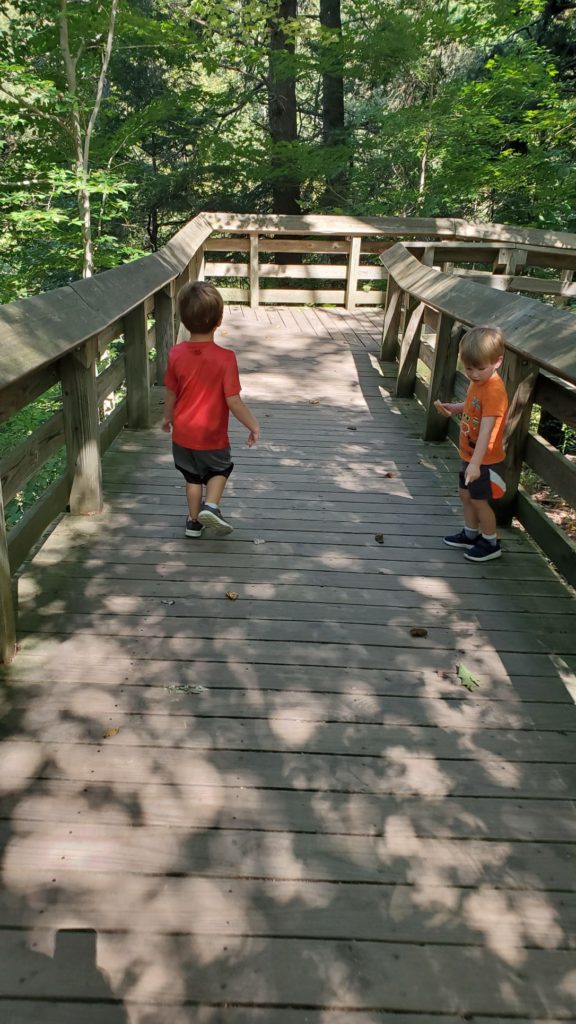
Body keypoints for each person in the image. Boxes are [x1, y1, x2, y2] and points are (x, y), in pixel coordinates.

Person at [162, 281, 260, 537]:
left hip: (182, 434)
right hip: (212, 436)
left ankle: (193, 523)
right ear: (219, 321)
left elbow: (171, 392)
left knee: (192, 479)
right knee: (219, 470)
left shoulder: (175, 354)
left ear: (183, 320)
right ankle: (212, 506)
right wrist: (253, 425)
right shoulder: (225, 358)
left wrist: (167, 418)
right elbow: (233, 400)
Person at [434, 325, 508, 562]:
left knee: (479, 500)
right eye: (468, 368)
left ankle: (490, 541)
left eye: (480, 368)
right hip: (469, 456)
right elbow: (473, 406)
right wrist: (454, 408)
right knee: (465, 496)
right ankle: (470, 533)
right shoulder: (479, 382)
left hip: (484, 460)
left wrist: (475, 465)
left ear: (497, 362)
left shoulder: (495, 390)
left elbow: (487, 432)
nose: (474, 374)